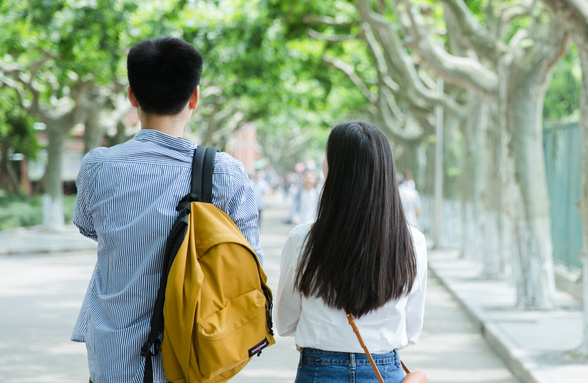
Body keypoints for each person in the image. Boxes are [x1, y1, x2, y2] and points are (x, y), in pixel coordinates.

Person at [71, 36, 263, 383]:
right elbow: (251, 265)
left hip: (114, 362)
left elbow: (87, 226)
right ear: (195, 97)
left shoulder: (98, 167)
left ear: (132, 96)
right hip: (194, 359)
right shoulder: (225, 172)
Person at [275, 121, 428, 383]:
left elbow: (285, 321)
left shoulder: (303, 239)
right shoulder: (412, 242)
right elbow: (411, 330)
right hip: (384, 372)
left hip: (318, 372)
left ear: (332, 169)